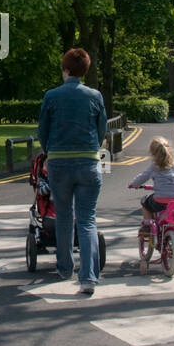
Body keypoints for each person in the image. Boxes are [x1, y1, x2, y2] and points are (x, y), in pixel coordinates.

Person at [37, 48, 107, 295]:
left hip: (59, 163)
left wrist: (48, 152)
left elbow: (43, 131)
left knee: (64, 216)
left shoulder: (52, 96)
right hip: (88, 163)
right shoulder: (95, 96)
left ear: (65, 69)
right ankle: (88, 277)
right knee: (87, 219)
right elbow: (101, 130)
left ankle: (65, 268)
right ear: (85, 70)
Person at [127, 136, 174, 275]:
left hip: (160, 200)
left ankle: (148, 225)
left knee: (145, 202)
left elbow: (141, 178)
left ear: (153, 153)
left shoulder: (155, 167)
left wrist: (134, 184)